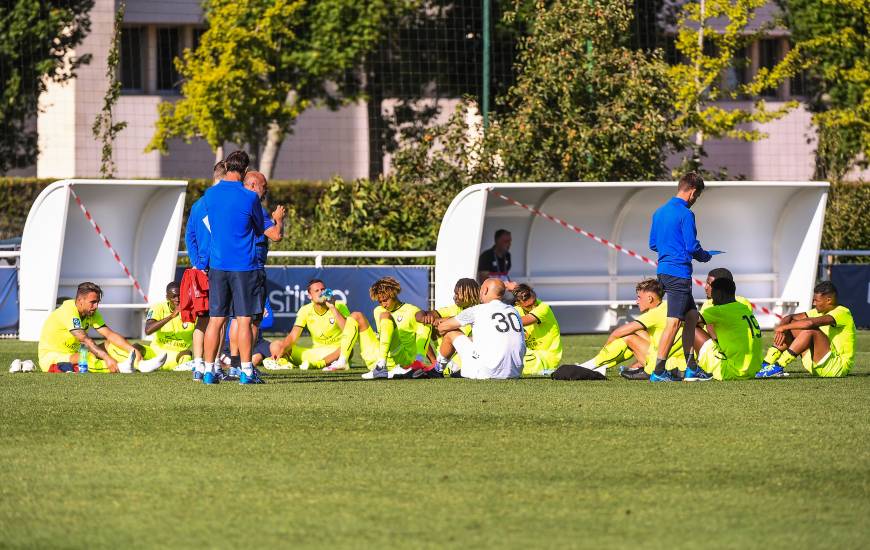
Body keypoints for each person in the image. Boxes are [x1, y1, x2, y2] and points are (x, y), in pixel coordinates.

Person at [201, 150, 266, 385]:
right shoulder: (249, 197)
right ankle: (246, 371)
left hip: (217, 266)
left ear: (227, 166)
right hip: (244, 267)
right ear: (246, 170)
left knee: (216, 320)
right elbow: (260, 228)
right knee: (244, 320)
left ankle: (209, 370)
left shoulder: (210, 194)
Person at [648, 171, 712, 382]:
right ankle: (658, 371)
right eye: (697, 197)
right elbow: (692, 246)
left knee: (692, 317)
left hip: (663, 271)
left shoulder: (659, 212)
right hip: (678, 273)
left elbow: (654, 244)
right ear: (692, 192)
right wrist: (704, 256)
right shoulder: (686, 214)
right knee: (674, 322)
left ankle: (691, 368)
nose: (695, 201)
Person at [560, 278, 685, 380]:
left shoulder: (654, 314)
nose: (637, 301)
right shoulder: (666, 307)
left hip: (665, 364)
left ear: (650, 298)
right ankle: (600, 365)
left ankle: (591, 365)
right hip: (674, 361)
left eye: (639, 297)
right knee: (637, 332)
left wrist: (603, 354)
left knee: (628, 337)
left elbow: (617, 332)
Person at [223, 170, 285, 373]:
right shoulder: (255, 207)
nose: (265, 191)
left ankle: (233, 365)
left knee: (234, 318)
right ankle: (246, 366)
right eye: (263, 187)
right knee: (251, 320)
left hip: (229, 267)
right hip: (252, 269)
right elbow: (275, 235)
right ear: (251, 185)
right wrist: (278, 219)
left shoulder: (230, 206)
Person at [38, 282, 166, 373]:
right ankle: (121, 368)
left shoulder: (91, 312)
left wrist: (132, 350)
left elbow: (110, 335)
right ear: (80, 300)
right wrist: (107, 358)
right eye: (92, 302)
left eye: (97, 302)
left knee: (109, 344)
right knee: (85, 356)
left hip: (74, 353)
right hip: (52, 358)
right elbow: (85, 340)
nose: (96, 306)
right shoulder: (68, 311)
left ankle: (141, 365)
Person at [756, 281, 856, 378]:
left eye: (817, 300)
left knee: (811, 330)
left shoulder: (843, 312)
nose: (814, 303)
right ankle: (765, 364)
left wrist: (783, 327)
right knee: (792, 324)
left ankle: (777, 367)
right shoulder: (819, 311)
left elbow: (810, 323)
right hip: (817, 364)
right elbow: (789, 318)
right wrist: (782, 329)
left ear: (829, 300)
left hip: (836, 368)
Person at [182, 160, 225, 380]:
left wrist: (197, 263)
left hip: (202, 268)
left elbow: (189, 236)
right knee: (219, 318)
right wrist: (202, 263)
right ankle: (213, 364)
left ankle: (200, 364)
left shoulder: (198, 204)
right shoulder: (220, 202)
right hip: (218, 267)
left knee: (204, 318)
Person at [338, 277, 429, 380]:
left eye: (385, 300)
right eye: (380, 302)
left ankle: (381, 367)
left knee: (385, 315)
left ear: (393, 294)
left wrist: (419, 359)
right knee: (356, 315)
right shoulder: (378, 310)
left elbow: (424, 331)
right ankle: (342, 360)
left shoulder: (412, 311)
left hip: (402, 360)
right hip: (380, 358)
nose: (383, 304)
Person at [434, 278, 526, 379]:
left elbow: (443, 327)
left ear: (485, 290)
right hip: (514, 373)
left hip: (485, 372)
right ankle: (460, 368)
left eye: (481, 289)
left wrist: (444, 323)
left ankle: (437, 370)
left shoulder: (477, 310)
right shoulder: (513, 311)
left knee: (451, 332)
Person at [269, 279, 353, 371]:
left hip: (336, 352)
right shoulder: (305, 310)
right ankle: (283, 363)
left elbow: (349, 332)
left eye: (323, 289)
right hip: (313, 353)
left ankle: (319, 364)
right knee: (276, 345)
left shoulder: (339, 305)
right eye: (317, 291)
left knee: (348, 350)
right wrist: (282, 350)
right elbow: (293, 336)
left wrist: (333, 308)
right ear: (310, 296)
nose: (321, 292)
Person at [690, 278, 762, 380]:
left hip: (732, 371)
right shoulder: (743, 307)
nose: (712, 298)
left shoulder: (720, 310)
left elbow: (687, 322)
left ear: (720, 294)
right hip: (753, 370)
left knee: (692, 328)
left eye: (713, 292)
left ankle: (693, 369)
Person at [414, 278, 481, 376]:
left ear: (469, 294)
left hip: (470, 360)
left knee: (460, 335)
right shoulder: (453, 308)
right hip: (445, 362)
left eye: (458, 294)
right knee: (422, 325)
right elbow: (420, 315)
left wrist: (445, 320)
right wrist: (423, 317)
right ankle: (433, 365)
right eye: (455, 293)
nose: (455, 297)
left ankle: (456, 367)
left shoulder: (481, 310)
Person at [513, 284, 562, 376]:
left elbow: (522, 321)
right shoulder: (515, 311)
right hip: (530, 354)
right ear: (518, 304)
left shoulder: (543, 308)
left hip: (545, 358)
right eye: (529, 306)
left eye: (534, 302)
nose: (533, 307)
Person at [144, 282, 194, 370]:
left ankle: (180, 368)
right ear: (167, 297)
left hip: (178, 355)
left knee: (187, 353)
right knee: (135, 348)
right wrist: (171, 316)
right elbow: (148, 330)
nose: (178, 299)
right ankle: (141, 365)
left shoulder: (193, 311)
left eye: (180, 295)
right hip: (155, 355)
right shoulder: (158, 307)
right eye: (174, 296)